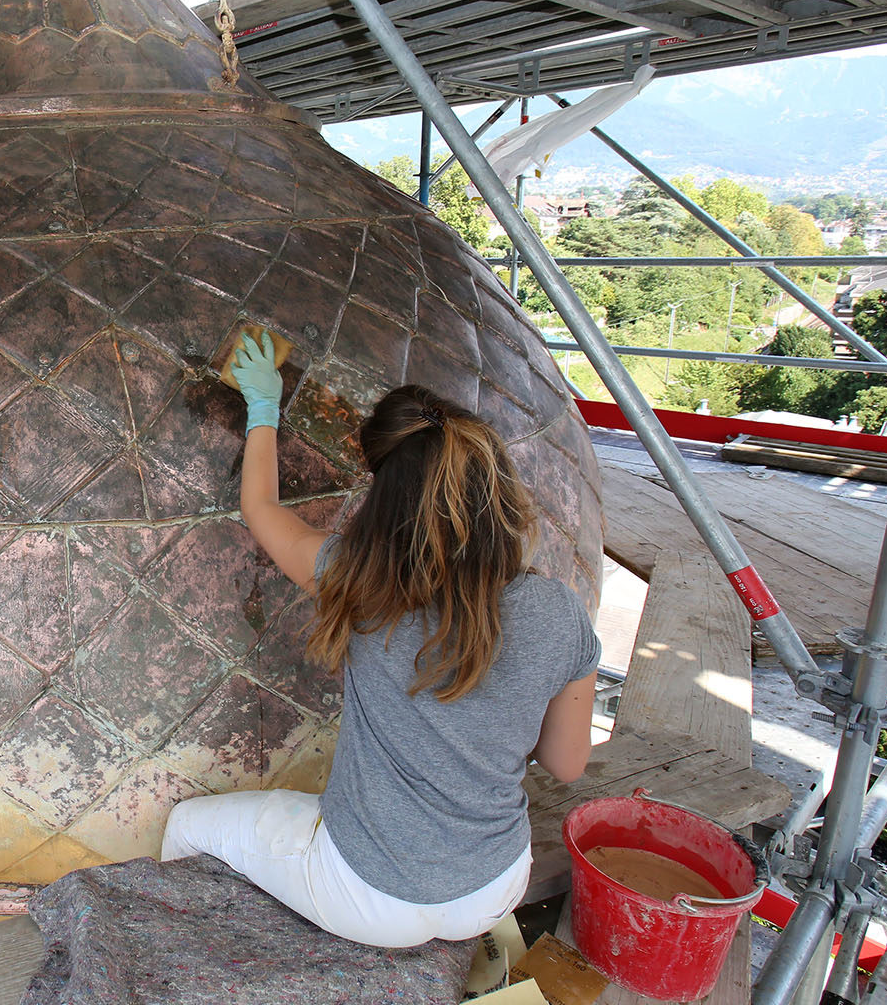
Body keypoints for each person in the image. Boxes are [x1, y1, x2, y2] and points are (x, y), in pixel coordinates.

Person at [159, 331, 598, 949]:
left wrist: (263, 407)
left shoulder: (362, 582)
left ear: (385, 497)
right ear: (499, 492)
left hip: (367, 895)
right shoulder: (560, 612)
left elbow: (261, 510)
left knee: (187, 824)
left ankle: (189, 961)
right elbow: (566, 764)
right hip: (493, 887)